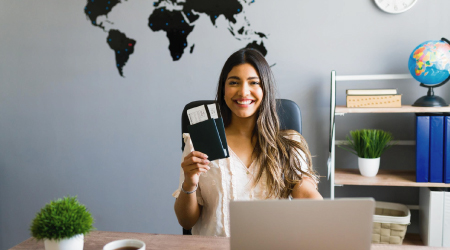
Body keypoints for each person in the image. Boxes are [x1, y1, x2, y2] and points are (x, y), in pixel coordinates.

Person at [173, 48, 322, 237]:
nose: (243, 92)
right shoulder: (199, 144)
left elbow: (306, 193)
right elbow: (186, 221)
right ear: (223, 90)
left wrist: (327, 217)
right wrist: (189, 182)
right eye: (234, 82)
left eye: (254, 83)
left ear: (265, 89)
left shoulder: (288, 144)